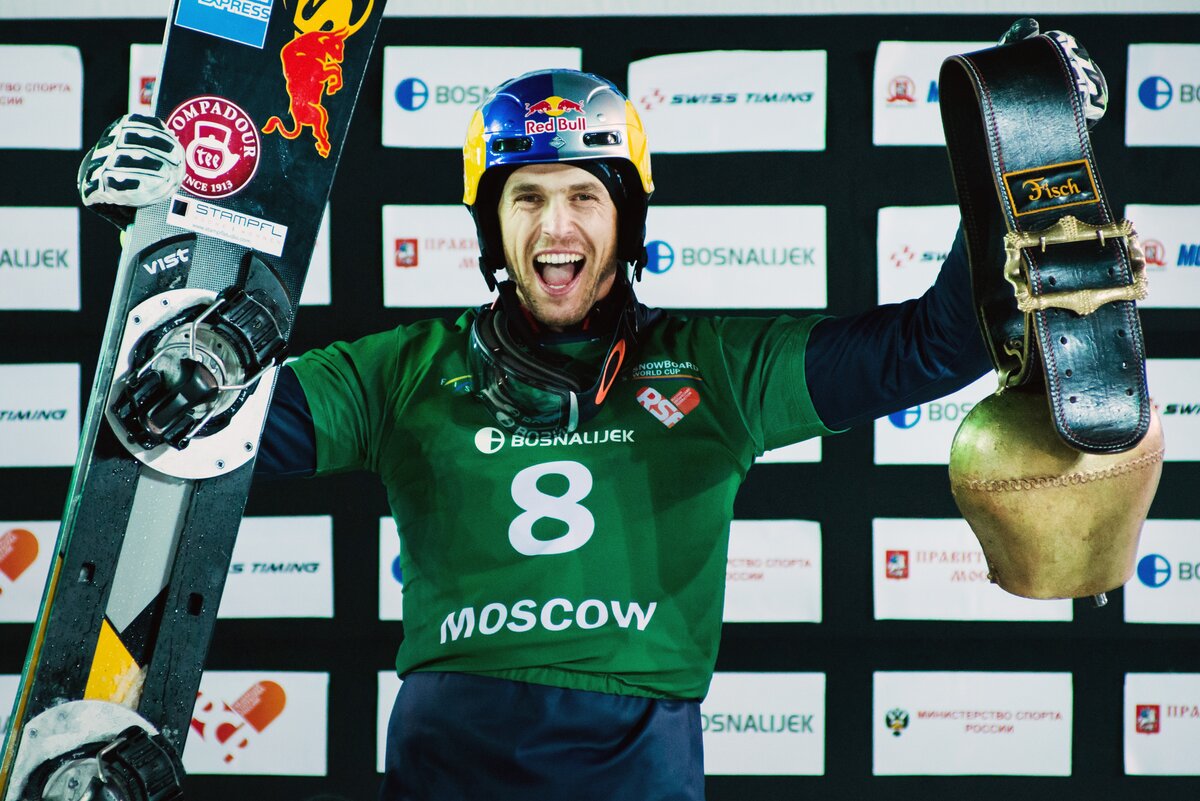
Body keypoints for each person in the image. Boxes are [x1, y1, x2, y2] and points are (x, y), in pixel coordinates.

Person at [78, 22, 1108, 800]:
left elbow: (935, 344)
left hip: (634, 759)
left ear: (628, 216)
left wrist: (1018, 152)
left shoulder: (718, 364)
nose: (555, 224)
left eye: (584, 195)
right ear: (492, 225)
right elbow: (187, 424)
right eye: (525, 197)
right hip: (449, 750)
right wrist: (155, 248)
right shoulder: (403, 369)